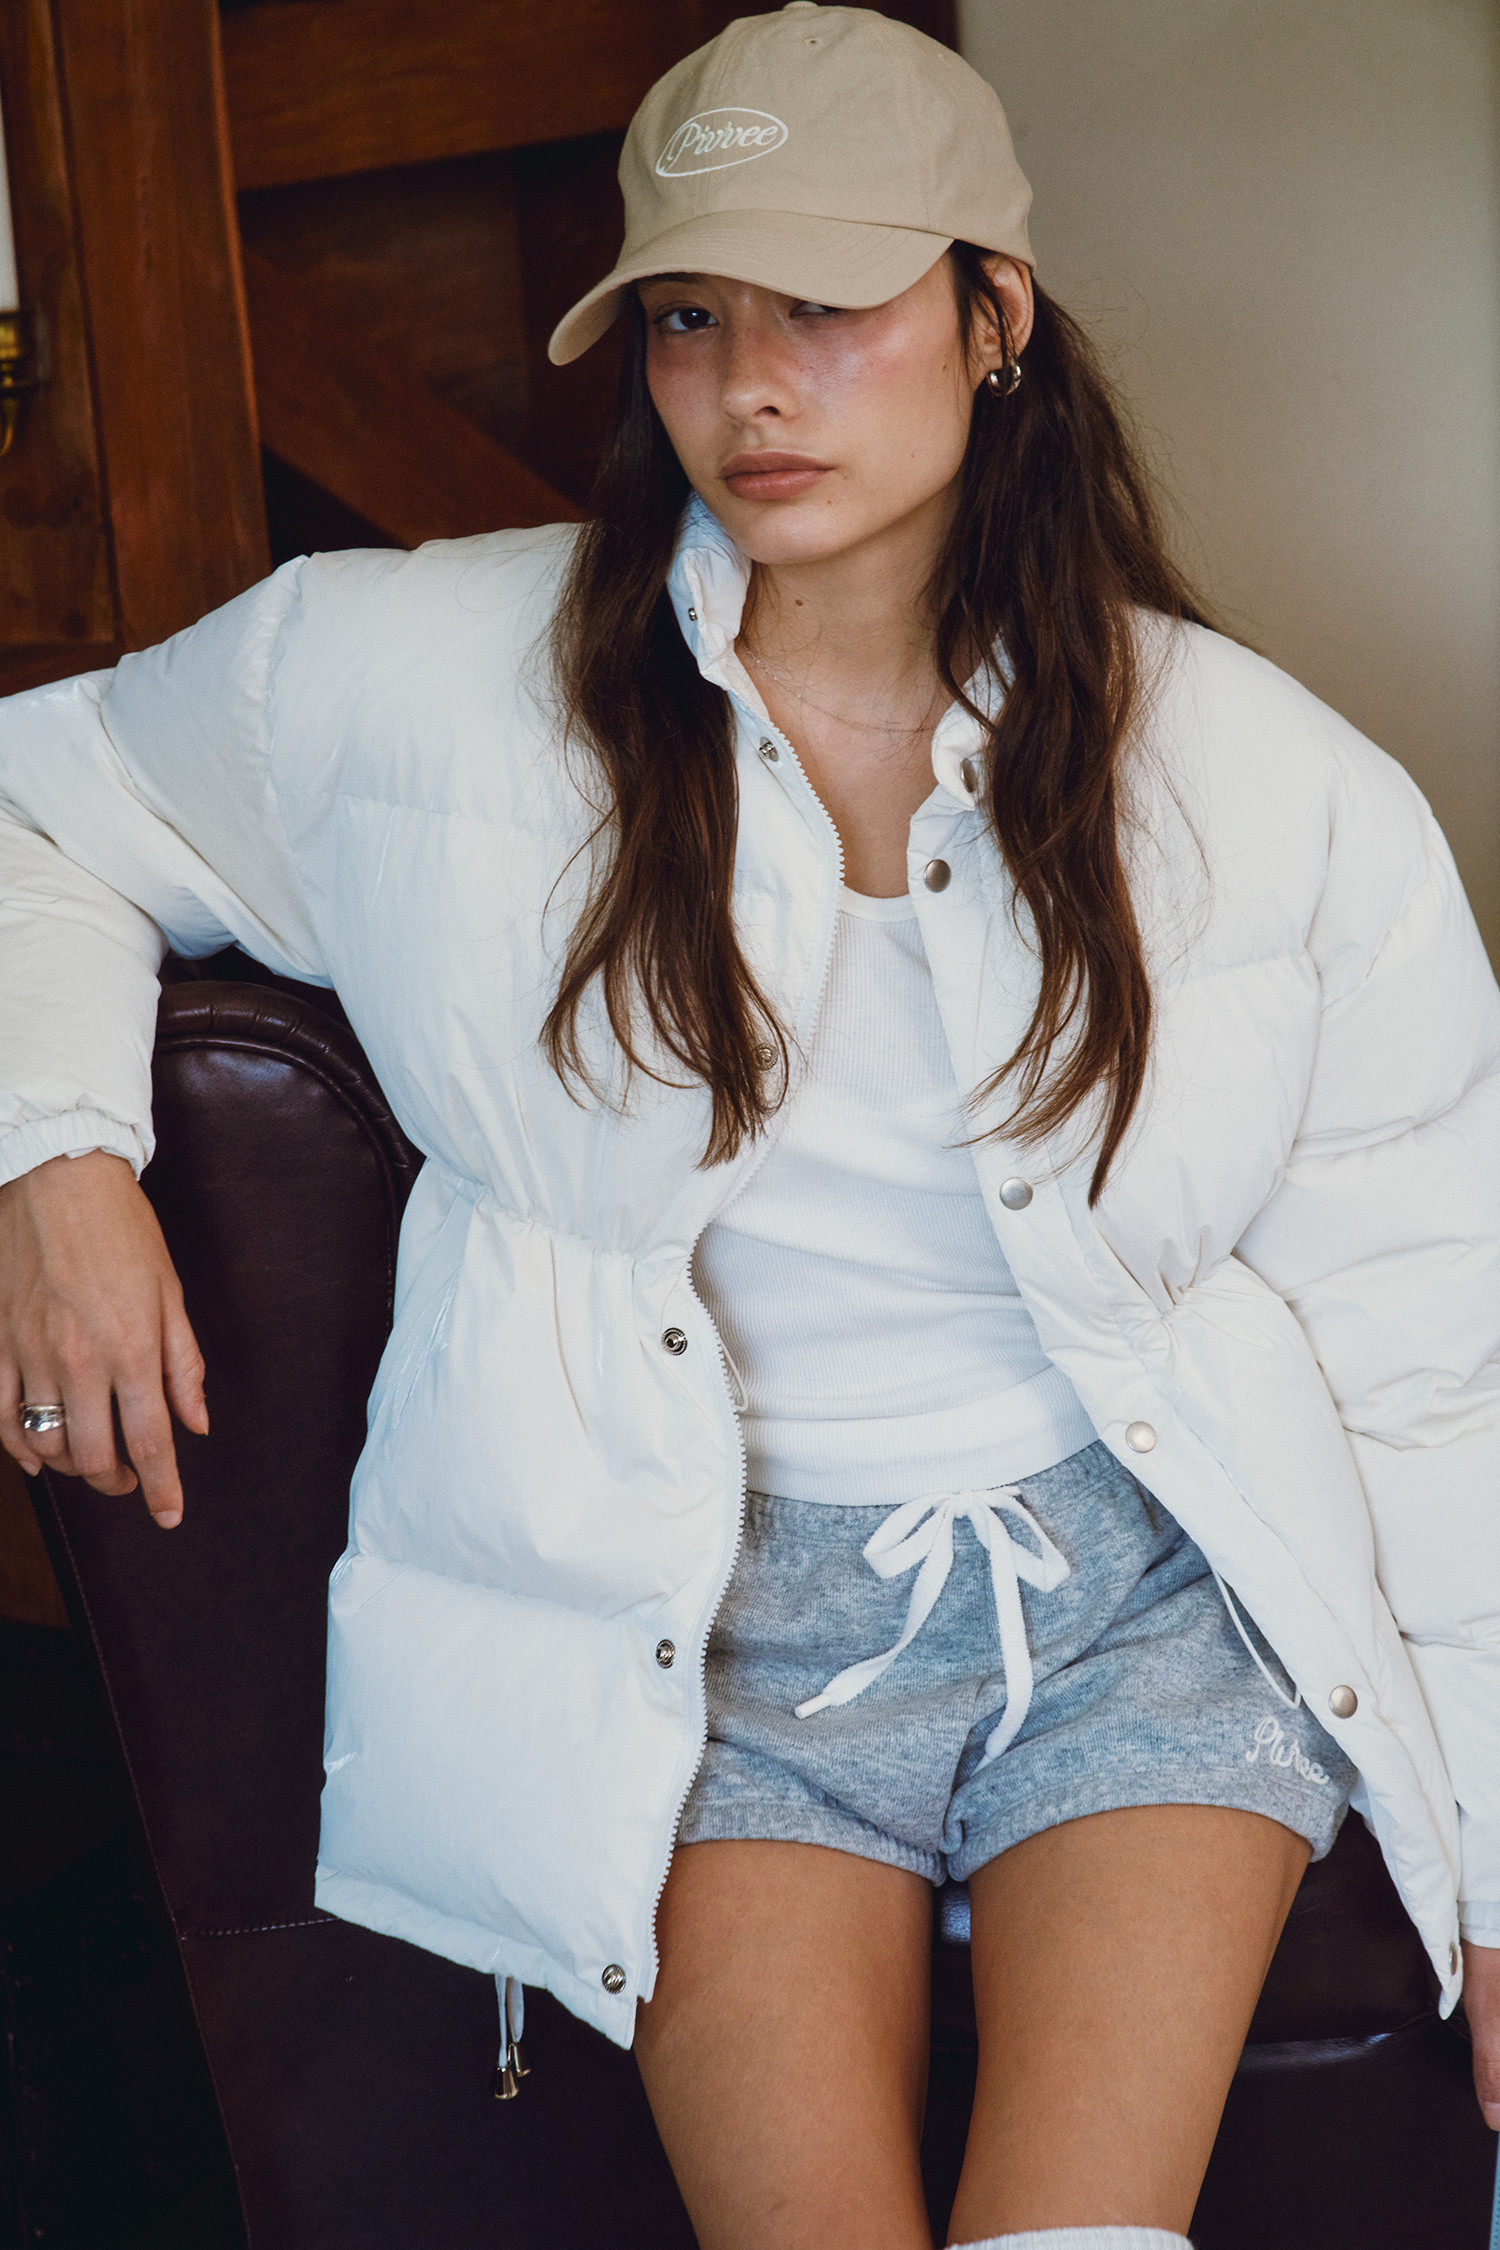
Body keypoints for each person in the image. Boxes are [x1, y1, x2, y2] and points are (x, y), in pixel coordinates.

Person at [0, 7, 1496, 2246]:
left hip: (1136, 1595)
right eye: (690, 317)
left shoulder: (1273, 788)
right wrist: (51, 1154)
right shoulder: (412, 681)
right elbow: (34, 794)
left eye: (825, 304)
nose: (751, 386)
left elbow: (1442, 1349)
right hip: (702, 1620)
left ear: (994, 313)